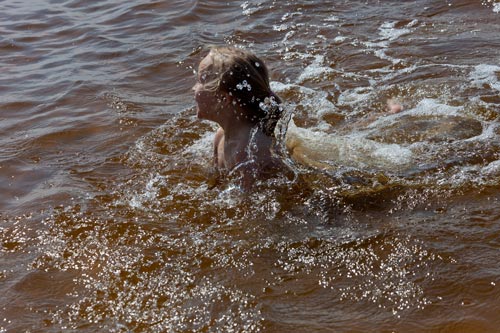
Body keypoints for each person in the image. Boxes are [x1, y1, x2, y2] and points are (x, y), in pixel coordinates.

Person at [192, 46, 284, 179]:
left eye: (200, 81)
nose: (193, 88)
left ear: (223, 98)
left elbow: (248, 199)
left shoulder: (248, 153)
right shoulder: (220, 136)